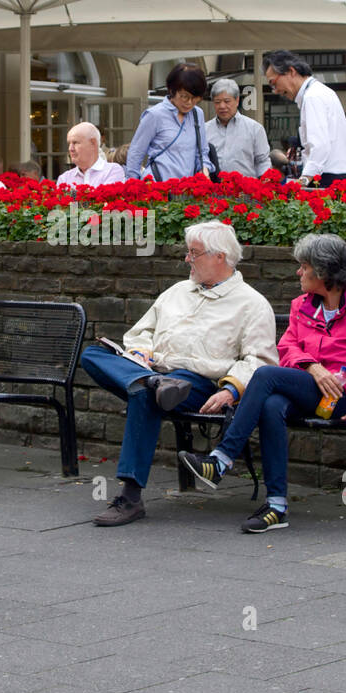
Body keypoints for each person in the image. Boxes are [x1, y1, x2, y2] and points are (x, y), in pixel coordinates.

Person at [180, 235, 346, 533]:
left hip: (344, 398)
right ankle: (276, 506)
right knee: (272, 405)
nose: (298, 273)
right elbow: (287, 348)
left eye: (304, 266)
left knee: (265, 375)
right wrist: (313, 367)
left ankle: (221, 460)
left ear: (325, 271)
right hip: (309, 389)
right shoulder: (301, 305)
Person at [80, 221, 278, 526]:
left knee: (143, 395)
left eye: (193, 253)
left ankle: (131, 498)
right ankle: (151, 382)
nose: (187, 259)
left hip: (198, 384)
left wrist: (231, 389)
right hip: (151, 371)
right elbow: (141, 332)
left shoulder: (252, 304)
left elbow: (260, 359)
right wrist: (139, 351)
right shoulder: (177, 291)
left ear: (219, 257)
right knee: (93, 354)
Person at [263, 50, 346, 186]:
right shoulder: (319, 92)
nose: (275, 90)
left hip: (327, 177)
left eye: (274, 83)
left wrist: (304, 181)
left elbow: (320, 146)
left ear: (291, 72)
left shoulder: (313, 97)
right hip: (337, 174)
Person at [125, 63, 211, 180]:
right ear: (172, 90)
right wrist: (133, 187)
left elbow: (202, 152)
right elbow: (135, 154)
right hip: (157, 187)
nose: (189, 102)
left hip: (186, 191)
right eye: (184, 96)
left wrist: (204, 171)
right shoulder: (154, 115)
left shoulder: (197, 114)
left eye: (195, 98)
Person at [206, 78, 270, 177]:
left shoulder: (255, 129)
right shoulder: (204, 130)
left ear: (237, 100)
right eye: (217, 102)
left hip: (246, 190)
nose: (222, 106)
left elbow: (263, 161)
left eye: (227, 101)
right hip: (214, 190)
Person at [57, 122, 124, 187]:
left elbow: (106, 198)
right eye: (69, 144)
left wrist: (74, 197)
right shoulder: (64, 179)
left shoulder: (112, 171)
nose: (70, 149)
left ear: (93, 143)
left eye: (75, 143)